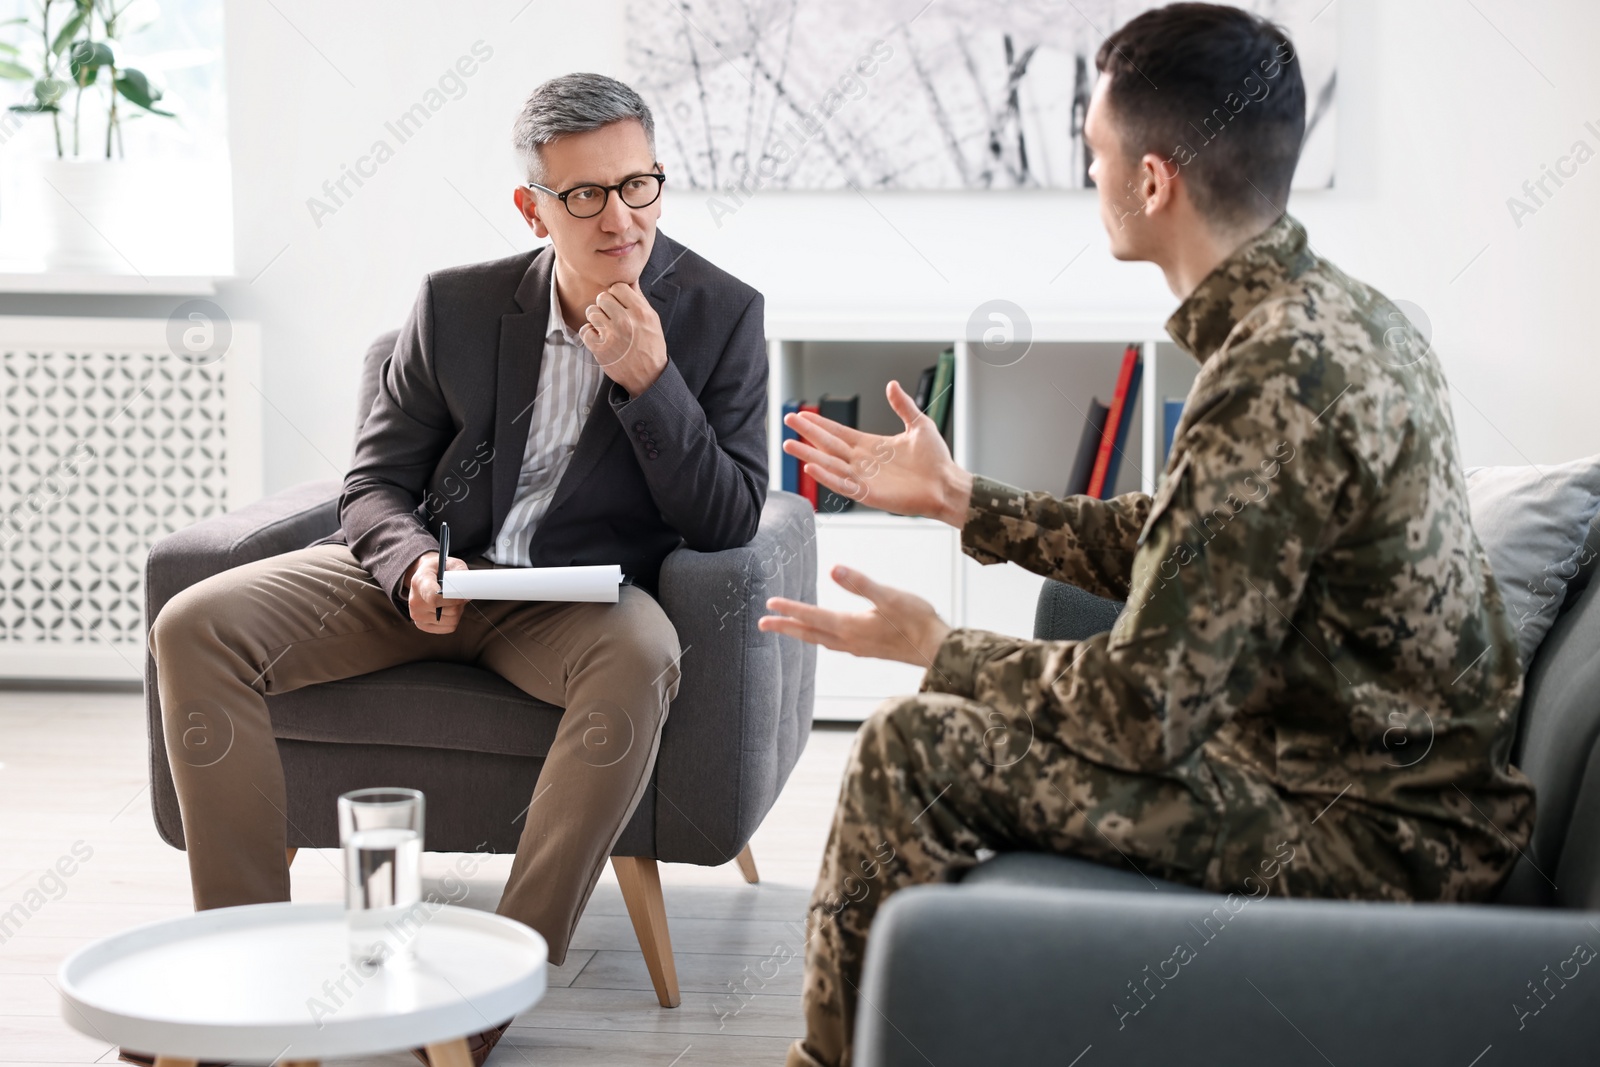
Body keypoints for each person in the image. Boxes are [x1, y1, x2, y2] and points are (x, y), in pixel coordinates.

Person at [760, 6, 1534, 1066]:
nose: (1091, 178)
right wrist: (959, 497)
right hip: (1382, 790)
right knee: (943, 720)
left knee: (910, 747)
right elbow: (1187, 544)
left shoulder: (1273, 373)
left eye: (1094, 155)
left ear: (1153, 181)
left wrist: (941, 647)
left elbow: (1144, 710)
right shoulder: (1351, 318)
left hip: (1365, 835)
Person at [143, 73, 767, 1067]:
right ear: (533, 207)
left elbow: (730, 516)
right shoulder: (457, 303)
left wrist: (653, 384)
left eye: (638, 185)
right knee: (194, 623)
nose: (620, 217)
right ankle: (245, 963)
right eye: (585, 195)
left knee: (642, 654)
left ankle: (490, 986)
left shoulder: (718, 316)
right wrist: (410, 564)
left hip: (570, 603)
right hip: (429, 573)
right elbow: (374, 483)